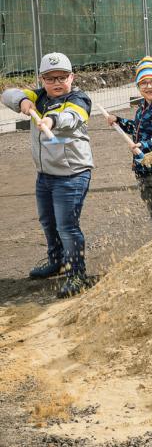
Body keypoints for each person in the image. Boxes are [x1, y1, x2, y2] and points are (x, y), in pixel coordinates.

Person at [1, 53, 93, 298]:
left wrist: (52, 120)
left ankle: (77, 274)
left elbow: (73, 117)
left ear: (72, 77)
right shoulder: (38, 97)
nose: (57, 82)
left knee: (67, 226)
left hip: (73, 174)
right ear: (42, 79)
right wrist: (22, 101)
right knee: (48, 222)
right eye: (50, 78)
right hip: (45, 175)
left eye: (62, 77)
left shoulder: (78, 99)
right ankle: (57, 261)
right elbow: (6, 94)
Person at [106, 56, 152, 231]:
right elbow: (138, 129)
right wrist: (119, 121)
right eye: (143, 82)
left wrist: (145, 146)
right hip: (144, 170)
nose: (148, 86)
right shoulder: (143, 108)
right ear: (138, 87)